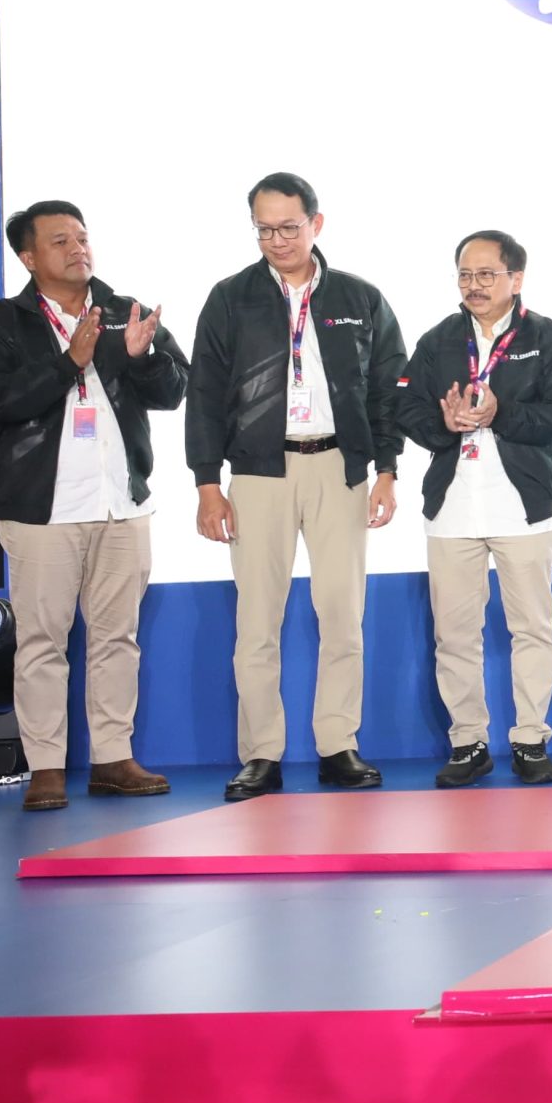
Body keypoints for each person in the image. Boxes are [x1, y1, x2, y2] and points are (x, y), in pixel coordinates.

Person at [187, 172, 406, 801]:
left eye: (288, 227)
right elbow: (204, 394)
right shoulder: (230, 298)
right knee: (258, 618)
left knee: (342, 613)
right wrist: (207, 484)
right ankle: (261, 753)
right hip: (259, 471)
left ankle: (338, 745)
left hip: (339, 467)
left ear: (317, 223)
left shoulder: (360, 297)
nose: (277, 240)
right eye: (264, 229)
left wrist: (386, 469)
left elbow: (386, 389)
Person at [0, 201, 188, 811]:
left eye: (82, 237)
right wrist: (69, 363)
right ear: (28, 257)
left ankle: (113, 758)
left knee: (118, 638)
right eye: (60, 240)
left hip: (121, 504)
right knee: (42, 641)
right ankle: (46, 767)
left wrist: (143, 357)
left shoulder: (122, 310)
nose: (77, 248)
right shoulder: (0, 323)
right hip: (42, 509)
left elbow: (174, 391)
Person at [393, 231, 552, 788]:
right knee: (454, 635)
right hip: (453, 508)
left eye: (485, 274)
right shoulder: (438, 341)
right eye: (465, 275)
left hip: (523, 506)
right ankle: (467, 742)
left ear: (515, 279)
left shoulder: (549, 338)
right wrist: (443, 424)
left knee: (533, 630)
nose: (473, 285)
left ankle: (530, 739)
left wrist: (502, 413)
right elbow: (406, 407)